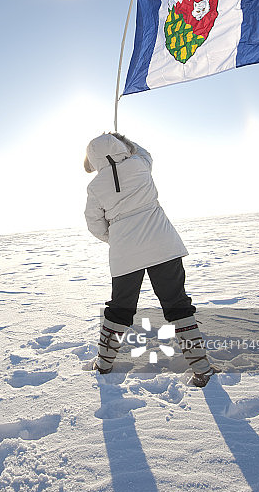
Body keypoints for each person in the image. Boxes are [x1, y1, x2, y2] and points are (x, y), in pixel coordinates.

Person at [84, 131, 219, 387]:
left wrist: (117, 238)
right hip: (162, 244)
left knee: (120, 307)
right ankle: (202, 368)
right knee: (177, 303)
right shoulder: (139, 164)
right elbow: (144, 152)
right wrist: (122, 141)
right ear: (120, 146)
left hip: (125, 252)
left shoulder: (94, 186)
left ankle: (103, 364)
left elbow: (94, 223)